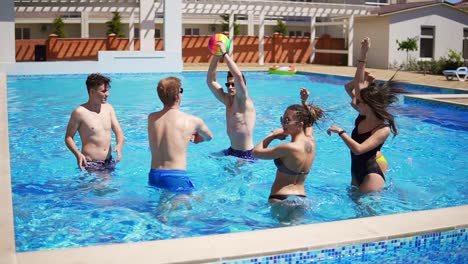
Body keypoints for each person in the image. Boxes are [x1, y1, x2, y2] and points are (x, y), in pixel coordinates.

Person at [327, 37, 400, 193]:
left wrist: (341, 132)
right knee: (356, 212)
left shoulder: (383, 129)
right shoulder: (363, 114)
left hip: (371, 174)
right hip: (356, 172)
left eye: (360, 101)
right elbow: (359, 83)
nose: (355, 102)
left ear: (369, 105)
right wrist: (363, 54)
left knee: (369, 214)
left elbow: (359, 149)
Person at [252, 88, 325, 224]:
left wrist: (272, 135)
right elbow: (309, 122)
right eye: (283, 120)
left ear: (299, 124)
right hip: (301, 199)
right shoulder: (311, 141)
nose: (283, 124)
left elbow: (255, 152)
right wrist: (304, 102)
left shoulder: (288, 148)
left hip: (280, 199)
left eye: (287, 120)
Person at [148, 77, 213, 221]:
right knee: (196, 204)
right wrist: (196, 138)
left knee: (164, 206)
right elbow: (209, 137)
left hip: (154, 175)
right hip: (175, 175)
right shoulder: (192, 120)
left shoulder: (152, 118)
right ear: (178, 95)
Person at [206, 40, 256, 161]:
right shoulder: (227, 100)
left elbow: (238, 76)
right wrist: (216, 56)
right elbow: (211, 81)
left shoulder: (244, 100)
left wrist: (224, 54)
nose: (230, 87)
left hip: (246, 154)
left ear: (242, 85)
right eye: (228, 84)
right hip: (231, 151)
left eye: (233, 84)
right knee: (209, 157)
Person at [65, 73, 124, 172]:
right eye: (103, 91)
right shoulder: (80, 112)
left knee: (111, 187)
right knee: (97, 187)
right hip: (91, 163)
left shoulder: (108, 108)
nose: (107, 94)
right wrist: (78, 154)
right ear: (92, 92)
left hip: (109, 161)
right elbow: (68, 137)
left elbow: (118, 131)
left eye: (108, 90)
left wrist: (119, 145)